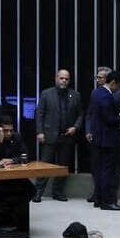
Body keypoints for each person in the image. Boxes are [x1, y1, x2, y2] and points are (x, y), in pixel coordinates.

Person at [85, 70, 120, 210]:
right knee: (108, 171)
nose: (118, 89)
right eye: (117, 86)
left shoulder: (96, 92)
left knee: (99, 170)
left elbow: (98, 115)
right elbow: (109, 119)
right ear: (113, 83)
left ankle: (99, 198)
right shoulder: (107, 96)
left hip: (98, 138)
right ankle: (107, 202)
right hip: (108, 139)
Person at [34, 69, 83, 202]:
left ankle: (58, 192)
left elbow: (80, 114)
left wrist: (75, 127)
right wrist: (39, 132)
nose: (64, 81)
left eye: (66, 79)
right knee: (44, 166)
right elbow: (39, 114)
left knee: (62, 167)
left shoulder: (75, 95)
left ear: (69, 80)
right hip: (49, 136)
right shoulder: (46, 93)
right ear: (56, 78)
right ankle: (38, 193)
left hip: (67, 137)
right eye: (61, 78)